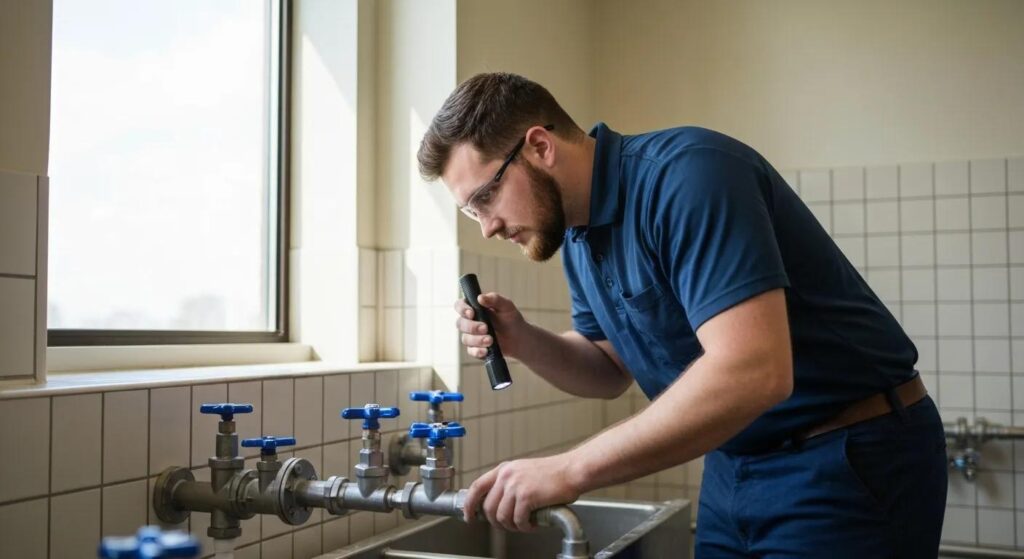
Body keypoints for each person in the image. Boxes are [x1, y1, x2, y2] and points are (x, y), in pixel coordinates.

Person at [416, 72, 947, 558]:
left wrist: (569, 468)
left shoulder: (689, 174)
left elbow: (755, 370)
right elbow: (607, 369)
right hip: (733, 465)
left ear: (539, 146)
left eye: (485, 198)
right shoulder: (577, 235)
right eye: (470, 210)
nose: (485, 227)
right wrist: (523, 339)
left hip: (847, 456)